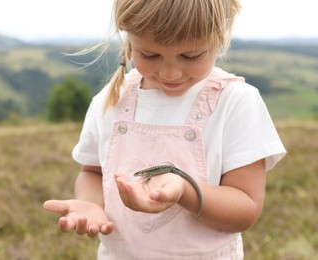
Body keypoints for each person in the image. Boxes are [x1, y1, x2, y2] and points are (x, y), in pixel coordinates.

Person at [43, 0, 286, 259]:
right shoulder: (110, 101)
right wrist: (91, 205)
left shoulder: (236, 102)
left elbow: (245, 209)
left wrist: (184, 191)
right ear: (129, 38)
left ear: (221, 34)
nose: (170, 73)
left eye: (190, 56)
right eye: (150, 55)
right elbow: (92, 171)